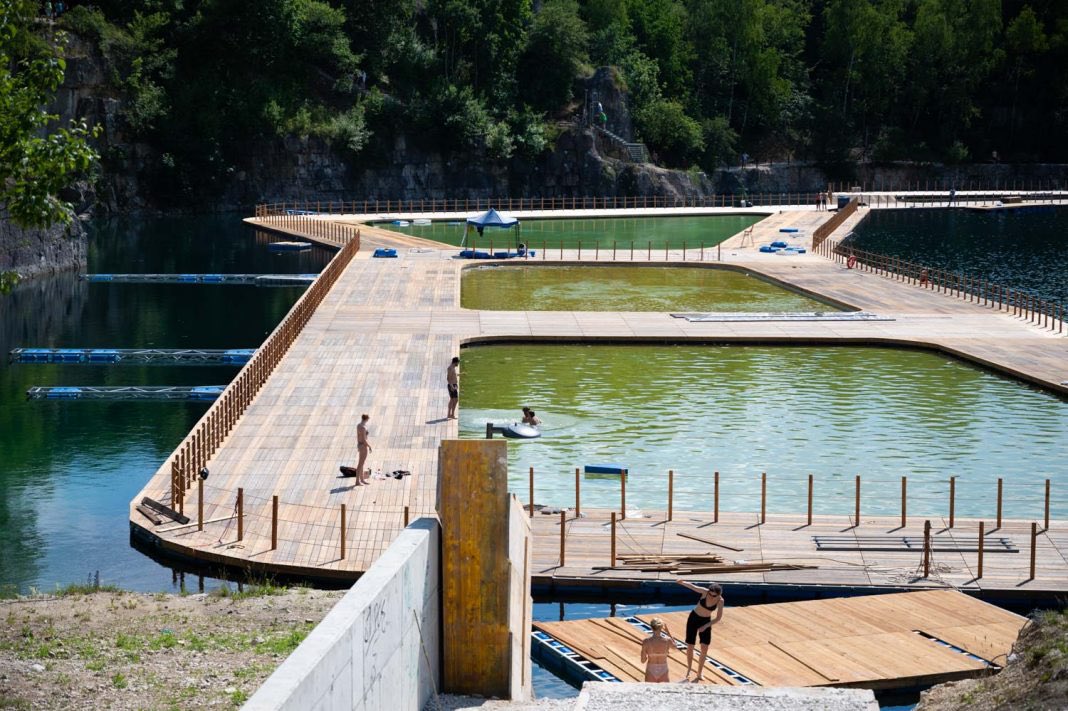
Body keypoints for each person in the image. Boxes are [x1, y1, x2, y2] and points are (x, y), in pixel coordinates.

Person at [676, 579, 723, 682]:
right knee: (690, 645)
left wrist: (705, 626)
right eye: (710, 594)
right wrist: (682, 583)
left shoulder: (720, 601)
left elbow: (718, 618)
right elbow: (693, 587)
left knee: (704, 647)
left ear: (718, 594)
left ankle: (699, 672)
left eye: (714, 595)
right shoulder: (705, 592)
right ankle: (689, 669)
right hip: (694, 618)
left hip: (706, 621)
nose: (711, 596)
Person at [640, 617, 676, 683]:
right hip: (663, 669)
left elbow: (643, 660)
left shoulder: (646, 642)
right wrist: (668, 632)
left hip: (651, 669)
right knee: (664, 692)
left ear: (651, 627)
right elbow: (675, 647)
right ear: (661, 628)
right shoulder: (667, 640)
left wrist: (647, 653)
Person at [355, 414, 372, 485]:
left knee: (361, 463)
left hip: (359, 445)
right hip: (363, 446)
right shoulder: (363, 428)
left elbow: (359, 436)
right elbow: (364, 440)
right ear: (366, 419)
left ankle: (361, 480)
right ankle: (357, 481)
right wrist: (369, 446)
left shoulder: (358, 425)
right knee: (360, 464)